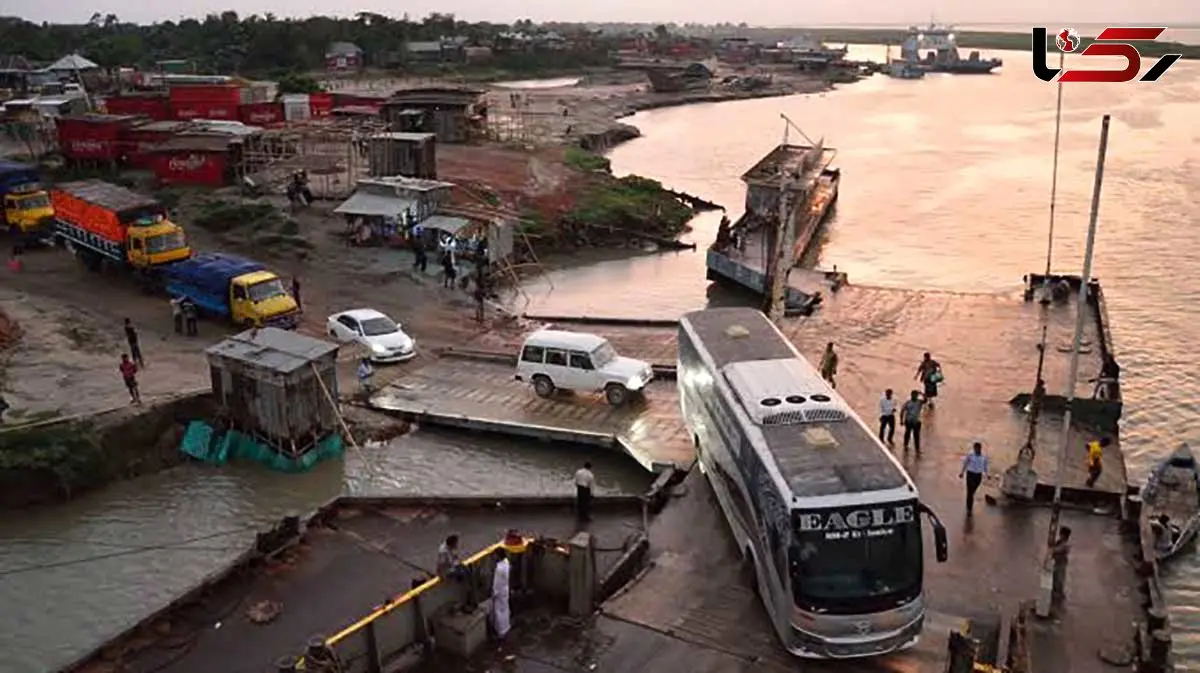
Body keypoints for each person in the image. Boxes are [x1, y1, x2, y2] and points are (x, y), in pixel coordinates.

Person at [960, 442, 989, 514]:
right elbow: (965, 463)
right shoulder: (970, 455)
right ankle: (969, 509)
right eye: (975, 448)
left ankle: (970, 501)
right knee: (969, 492)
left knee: (973, 491)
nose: (976, 449)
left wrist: (987, 474)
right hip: (970, 474)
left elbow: (985, 466)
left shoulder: (984, 456)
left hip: (978, 475)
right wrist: (962, 472)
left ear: (980, 448)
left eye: (977, 448)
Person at [490, 548, 512, 640]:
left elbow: (496, 583)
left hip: (499, 592)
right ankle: (506, 626)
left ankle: (501, 631)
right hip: (505, 589)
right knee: (505, 609)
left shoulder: (499, 568)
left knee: (498, 612)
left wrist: (494, 593)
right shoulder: (506, 562)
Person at [1048, 526, 1072, 603]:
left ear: (1064, 535)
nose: (1059, 535)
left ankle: (1059, 599)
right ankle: (1055, 597)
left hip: (1061, 565)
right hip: (1056, 564)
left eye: (1061, 534)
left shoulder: (1066, 544)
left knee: (1059, 582)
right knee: (1054, 581)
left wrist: (1052, 549)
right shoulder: (1060, 541)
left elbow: (1057, 550)